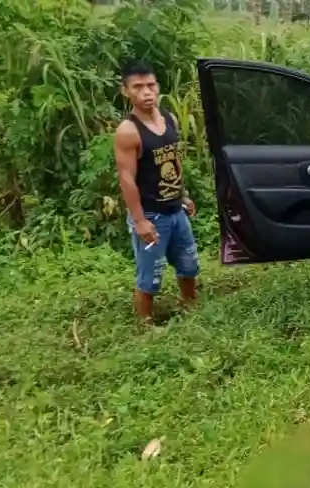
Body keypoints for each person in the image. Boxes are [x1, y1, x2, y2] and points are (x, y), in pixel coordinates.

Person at [114, 60, 199, 327]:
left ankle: (190, 306)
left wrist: (182, 195)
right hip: (152, 214)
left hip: (176, 210)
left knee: (188, 264)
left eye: (150, 85)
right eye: (138, 87)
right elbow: (126, 178)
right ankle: (146, 324)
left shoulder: (169, 119)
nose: (146, 92)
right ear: (125, 91)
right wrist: (140, 220)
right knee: (150, 275)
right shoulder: (128, 131)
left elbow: (172, 162)